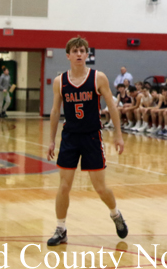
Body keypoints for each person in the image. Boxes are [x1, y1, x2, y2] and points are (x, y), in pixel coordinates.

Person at [46, 36, 127, 246]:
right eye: (75, 51)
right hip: (70, 137)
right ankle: (61, 229)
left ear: (87, 54)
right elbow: (55, 111)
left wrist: (118, 135)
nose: (79, 54)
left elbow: (112, 107)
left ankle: (115, 214)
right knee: (64, 186)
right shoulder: (60, 81)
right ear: (68, 55)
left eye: (82, 50)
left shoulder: (98, 78)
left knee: (100, 187)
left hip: (92, 136)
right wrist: (51, 140)